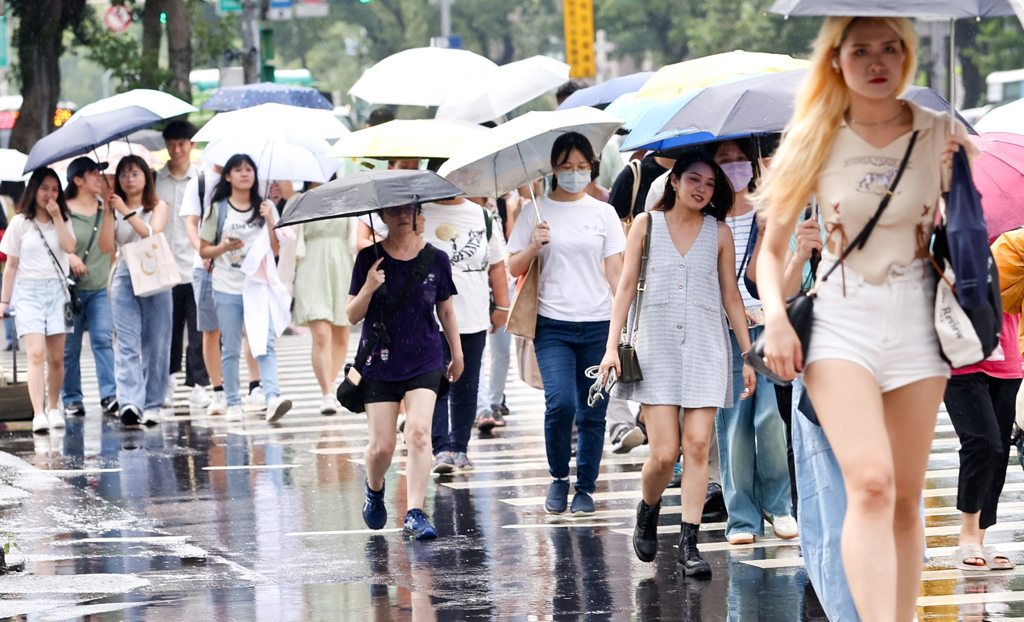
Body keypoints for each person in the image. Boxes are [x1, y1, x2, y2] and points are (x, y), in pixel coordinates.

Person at [755, 16, 974, 621]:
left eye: (890, 48)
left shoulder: (942, 135)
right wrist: (775, 317)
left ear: (907, 56)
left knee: (904, 500)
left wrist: (959, 201)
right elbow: (768, 255)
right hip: (838, 324)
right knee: (871, 484)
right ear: (836, 60)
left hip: (918, 326)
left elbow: (969, 235)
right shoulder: (814, 137)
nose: (877, 62)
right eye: (861, 50)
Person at [600, 151, 755, 575]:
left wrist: (747, 354)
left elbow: (730, 295)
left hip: (707, 346)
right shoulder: (646, 226)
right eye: (694, 179)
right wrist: (611, 348)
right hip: (657, 347)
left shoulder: (719, 232)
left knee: (699, 447)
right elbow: (626, 286)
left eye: (709, 182)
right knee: (665, 454)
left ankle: (689, 545)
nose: (702, 189)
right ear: (674, 181)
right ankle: (648, 509)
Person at [507, 132, 626, 516]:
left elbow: (616, 274)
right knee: (560, 403)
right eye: (566, 167)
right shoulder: (535, 212)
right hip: (552, 326)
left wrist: (621, 328)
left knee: (593, 410)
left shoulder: (604, 213)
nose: (575, 174)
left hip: (598, 326)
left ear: (591, 167)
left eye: (581, 167)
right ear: (553, 169)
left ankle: (585, 488)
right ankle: (559, 477)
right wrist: (534, 245)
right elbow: (512, 266)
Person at [351, 203, 464, 541]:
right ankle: (374, 488)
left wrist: (456, 353)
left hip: (425, 358)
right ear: (382, 216)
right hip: (380, 361)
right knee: (381, 447)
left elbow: (445, 309)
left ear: (418, 214)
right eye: (394, 210)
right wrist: (369, 286)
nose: (403, 215)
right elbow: (351, 314)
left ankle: (415, 512)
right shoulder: (367, 259)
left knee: (417, 433)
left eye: (409, 209)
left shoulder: (437, 259)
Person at [710, 138, 796, 545]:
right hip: (725, 333)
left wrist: (765, 233)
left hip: (769, 328)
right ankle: (742, 518)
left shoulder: (769, 213)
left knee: (770, 419)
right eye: (724, 161)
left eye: (741, 159)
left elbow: (774, 278)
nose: (734, 167)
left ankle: (780, 506)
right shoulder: (709, 220)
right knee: (735, 428)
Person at [945, 229, 1024, 571]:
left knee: (999, 450)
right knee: (983, 442)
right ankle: (967, 537)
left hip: (1006, 356)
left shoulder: (1014, 241)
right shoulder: (950, 234)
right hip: (961, 357)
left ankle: (981, 536)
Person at [198, 154, 294, 423]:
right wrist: (225, 248)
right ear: (227, 176)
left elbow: (275, 250)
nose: (244, 174)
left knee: (264, 343)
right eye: (237, 170)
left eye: (249, 169)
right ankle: (233, 401)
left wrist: (270, 219)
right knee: (230, 346)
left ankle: (272, 396)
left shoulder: (265, 208)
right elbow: (204, 248)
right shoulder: (218, 209)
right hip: (226, 286)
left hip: (258, 286)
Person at [421, 195, 509, 472]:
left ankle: (459, 447)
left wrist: (502, 307)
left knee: (467, 383)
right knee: (435, 382)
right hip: (429, 315)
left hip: (473, 311)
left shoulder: (482, 215)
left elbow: (496, 265)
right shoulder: (420, 213)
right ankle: (440, 449)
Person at [180, 163, 264, 415]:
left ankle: (255, 385)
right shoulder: (200, 182)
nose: (243, 172)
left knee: (252, 328)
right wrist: (204, 250)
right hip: (206, 266)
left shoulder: (249, 176)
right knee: (211, 330)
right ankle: (218, 391)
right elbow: (191, 224)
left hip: (246, 268)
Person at [0, 168, 76, 432]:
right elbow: (11, 266)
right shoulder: (20, 222)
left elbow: (70, 248)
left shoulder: (63, 218)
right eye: (45, 188)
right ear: (34, 190)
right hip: (28, 293)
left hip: (58, 292)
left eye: (55, 189)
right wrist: (3, 302)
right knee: (36, 354)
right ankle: (38, 412)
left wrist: (56, 217)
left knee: (56, 358)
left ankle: (54, 407)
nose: (50, 194)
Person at [106, 155, 173, 426]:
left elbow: (153, 233)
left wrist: (125, 210)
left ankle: (153, 402)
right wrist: (107, 213)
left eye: (135, 173)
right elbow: (104, 246)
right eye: (123, 174)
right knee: (126, 342)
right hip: (124, 273)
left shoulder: (158, 205)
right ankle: (130, 402)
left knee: (157, 342)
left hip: (153, 271)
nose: (129, 179)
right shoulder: (113, 207)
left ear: (147, 177)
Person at [156, 120, 212, 410]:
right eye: (171, 144)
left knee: (198, 329)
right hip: (164, 268)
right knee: (169, 329)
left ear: (192, 145)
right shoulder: (155, 181)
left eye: (182, 144)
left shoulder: (201, 179)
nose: (176, 150)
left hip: (195, 264)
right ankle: (167, 381)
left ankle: (199, 384)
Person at [61, 158, 117, 418]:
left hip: (99, 289)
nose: (100, 177)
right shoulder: (62, 212)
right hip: (68, 293)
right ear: (77, 180)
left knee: (103, 340)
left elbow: (108, 247)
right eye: (93, 173)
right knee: (70, 347)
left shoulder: (104, 208)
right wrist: (69, 257)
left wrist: (108, 212)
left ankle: (110, 395)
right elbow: (54, 243)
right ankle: (72, 398)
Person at [291, 183, 354, 415]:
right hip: (311, 267)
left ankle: (329, 384)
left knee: (341, 335)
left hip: (342, 266)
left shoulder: (347, 197)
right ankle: (327, 392)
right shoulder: (299, 200)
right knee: (321, 333)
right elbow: (288, 238)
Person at [356, 159, 422, 251]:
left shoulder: (422, 198)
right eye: (404, 167)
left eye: (415, 169)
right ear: (390, 169)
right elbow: (361, 242)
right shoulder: (376, 197)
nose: (409, 172)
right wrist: (382, 245)